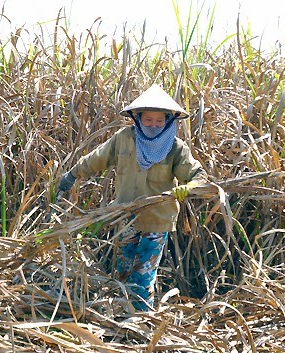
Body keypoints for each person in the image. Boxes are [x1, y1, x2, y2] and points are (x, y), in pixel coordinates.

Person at [57, 83, 208, 311]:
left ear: (168, 120)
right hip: (125, 216)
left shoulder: (176, 148)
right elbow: (96, 158)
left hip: (157, 220)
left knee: (143, 275)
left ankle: (139, 322)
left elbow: (199, 175)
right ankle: (119, 312)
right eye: (148, 120)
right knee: (123, 270)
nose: (154, 125)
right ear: (137, 118)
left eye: (160, 120)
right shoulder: (124, 139)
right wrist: (72, 175)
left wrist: (189, 187)